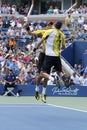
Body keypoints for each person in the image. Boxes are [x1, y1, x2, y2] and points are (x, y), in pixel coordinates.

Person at [34, 21, 66, 103]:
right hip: (45, 56)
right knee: (41, 75)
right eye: (48, 24)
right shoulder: (60, 34)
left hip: (48, 56)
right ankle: (37, 90)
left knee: (44, 75)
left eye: (51, 24)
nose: (49, 25)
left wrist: (36, 47)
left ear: (54, 25)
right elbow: (63, 47)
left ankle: (44, 93)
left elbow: (41, 41)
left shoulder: (49, 32)